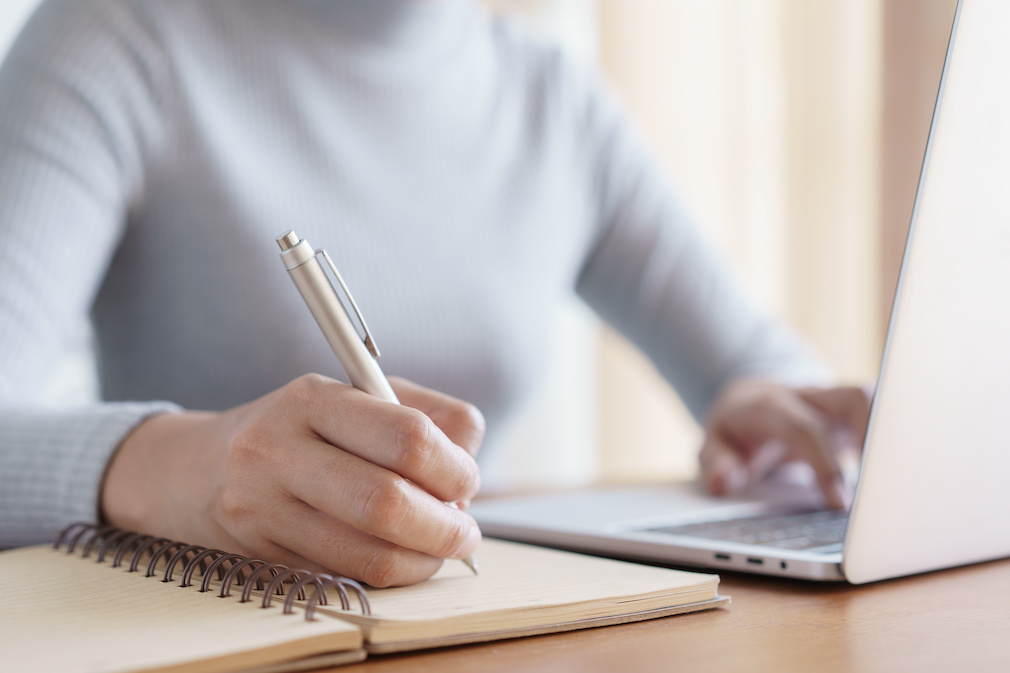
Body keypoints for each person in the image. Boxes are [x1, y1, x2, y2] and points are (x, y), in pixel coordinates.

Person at [0, 0, 869, 587]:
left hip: (459, 620)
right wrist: (187, 463)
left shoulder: (550, 96)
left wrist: (764, 401)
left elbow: (764, 373)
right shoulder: (113, 38)